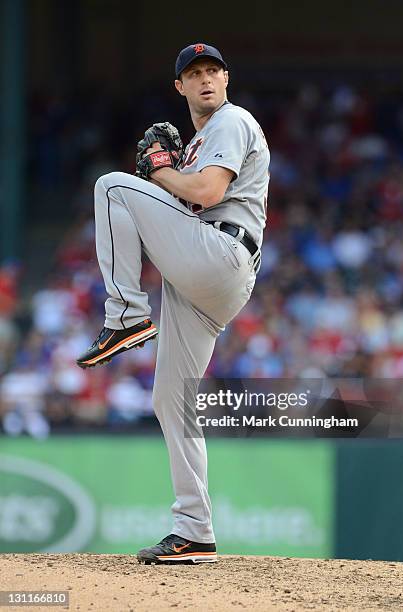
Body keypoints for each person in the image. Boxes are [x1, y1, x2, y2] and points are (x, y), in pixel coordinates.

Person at [76, 43, 270, 563]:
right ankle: (195, 532)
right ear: (179, 87)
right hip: (203, 280)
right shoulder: (201, 141)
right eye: (194, 73)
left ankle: (126, 315)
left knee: (113, 187)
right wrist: (168, 172)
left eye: (213, 71)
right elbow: (185, 200)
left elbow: (205, 193)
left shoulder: (231, 120)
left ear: (226, 79)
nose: (205, 79)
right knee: (171, 400)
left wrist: (157, 172)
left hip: (220, 253)